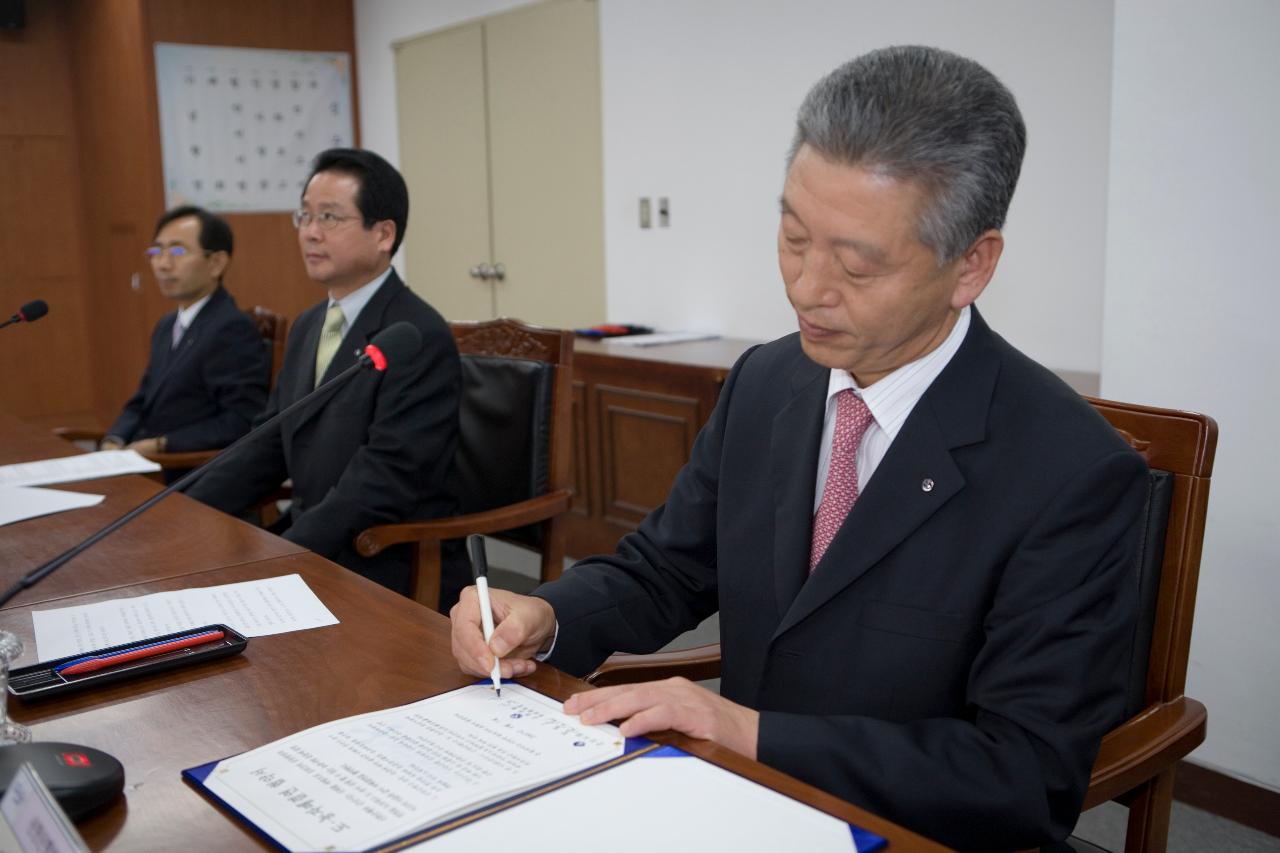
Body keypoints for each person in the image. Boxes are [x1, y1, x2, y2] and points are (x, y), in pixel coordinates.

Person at [451, 46, 1148, 851]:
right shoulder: (769, 380)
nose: (806, 287)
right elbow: (667, 567)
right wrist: (543, 614)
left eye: (856, 263)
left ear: (972, 265)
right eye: (792, 237)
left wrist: (749, 732)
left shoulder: (1071, 471)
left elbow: (1021, 774)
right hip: (730, 804)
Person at [188, 148, 466, 607]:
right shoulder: (309, 324)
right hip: (317, 545)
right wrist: (187, 508)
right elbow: (269, 442)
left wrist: (287, 555)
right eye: (305, 215)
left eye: (330, 217)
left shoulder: (417, 335)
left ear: (383, 234)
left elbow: (385, 476)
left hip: (387, 561)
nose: (310, 233)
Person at [102, 206, 268, 460]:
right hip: (143, 461)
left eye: (178, 251)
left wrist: (162, 444)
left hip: (185, 468)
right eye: (156, 251)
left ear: (216, 263)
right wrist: (114, 439)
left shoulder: (231, 328)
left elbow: (242, 419)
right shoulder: (166, 326)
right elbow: (142, 400)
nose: (163, 264)